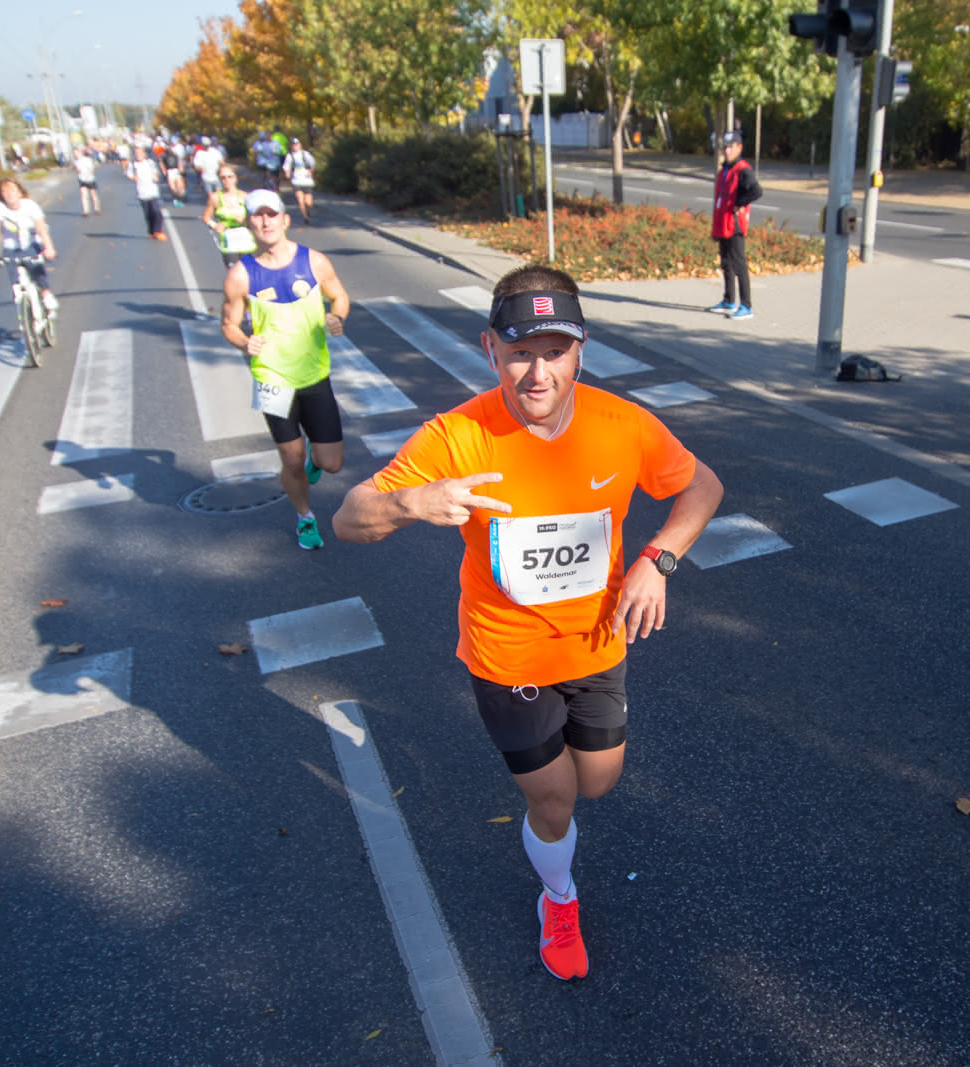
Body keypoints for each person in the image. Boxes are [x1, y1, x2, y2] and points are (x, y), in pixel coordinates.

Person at [331, 265, 725, 982]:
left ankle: (558, 826)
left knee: (598, 782)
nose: (537, 372)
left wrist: (658, 560)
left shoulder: (622, 425)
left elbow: (703, 486)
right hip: (506, 654)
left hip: (597, 641)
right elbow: (349, 514)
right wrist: (409, 503)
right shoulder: (459, 434)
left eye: (554, 350)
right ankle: (560, 897)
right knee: (555, 798)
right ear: (490, 350)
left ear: (581, 351)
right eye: (519, 352)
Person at [219, 189, 350, 550]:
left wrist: (336, 317)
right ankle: (305, 519)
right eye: (258, 216)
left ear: (284, 219)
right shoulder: (240, 276)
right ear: (249, 224)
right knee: (290, 460)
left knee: (332, 463)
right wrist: (244, 342)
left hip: (314, 375)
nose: (266, 221)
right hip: (272, 380)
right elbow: (228, 324)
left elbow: (339, 295)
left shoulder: (315, 262)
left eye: (271, 214)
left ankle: (313, 460)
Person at [0, 176, 58, 316]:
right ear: (1, 195)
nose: (9, 194)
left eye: (12, 190)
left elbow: (41, 229)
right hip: (12, 249)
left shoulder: (30, 206)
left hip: (31, 244)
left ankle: (46, 294)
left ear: (20, 192)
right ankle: (23, 308)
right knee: (14, 274)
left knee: (36, 270)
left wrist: (49, 248)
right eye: (4, 192)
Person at [706, 130, 762, 321]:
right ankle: (728, 299)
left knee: (739, 263)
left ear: (739, 147)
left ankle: (746, 305)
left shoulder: (743, 169)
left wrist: (740, 203)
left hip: (735, 224)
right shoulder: (725, 169)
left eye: (730, 146)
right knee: (726, 262)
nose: (727, 150)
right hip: (723, 223)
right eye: (725, 147)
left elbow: (756, 191)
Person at [201, 164, 252, 267]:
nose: (226, 180)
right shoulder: (215, 198)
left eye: (230, 177)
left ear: (236, 178)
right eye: (223, 177)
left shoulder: (245, 196)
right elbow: (206, 217)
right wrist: (214, 225)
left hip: (246, 239)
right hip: (229, 240)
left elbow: (255, 217)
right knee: (234, 272)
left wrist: (246, 220)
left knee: (249, 273)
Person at [132, 152, 166, 240]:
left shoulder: (150, 163)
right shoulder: (133, 165)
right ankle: (151, 232)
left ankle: (159, 231)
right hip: (142, 192)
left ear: (144, 154)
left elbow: (156, 173)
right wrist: (133, 178)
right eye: (137, 154)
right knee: (148, 214)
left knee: (157, 212)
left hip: (152, 191)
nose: (138, 155)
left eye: (139, 154)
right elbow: (130, 175)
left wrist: (156, 176)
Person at [282, 138, 316, 224]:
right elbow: (286, 167)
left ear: (300, 145)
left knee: (308, 202)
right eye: (293, 145)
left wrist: (310, 172)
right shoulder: (290, 156)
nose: (295, 146)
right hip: (296, 181)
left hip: (307, 181)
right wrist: (287, 173)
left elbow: (312, 164)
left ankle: (308, 211)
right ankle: (305, 217)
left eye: (296, 144)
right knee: (300, 199)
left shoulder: (305, 154)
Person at [73, 148, 101, 216]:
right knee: (83, 195)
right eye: (74, 154)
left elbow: (91, 168)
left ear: (80, 153)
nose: (76, 155)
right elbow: (76, 169)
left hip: (90, 179)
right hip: (81, 179)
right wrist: (77, 170)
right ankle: (86, 211)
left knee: (93, 194)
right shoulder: (75, 161)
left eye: (77, 153)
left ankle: (96, 209)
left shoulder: (87, 159)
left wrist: (88, 173)